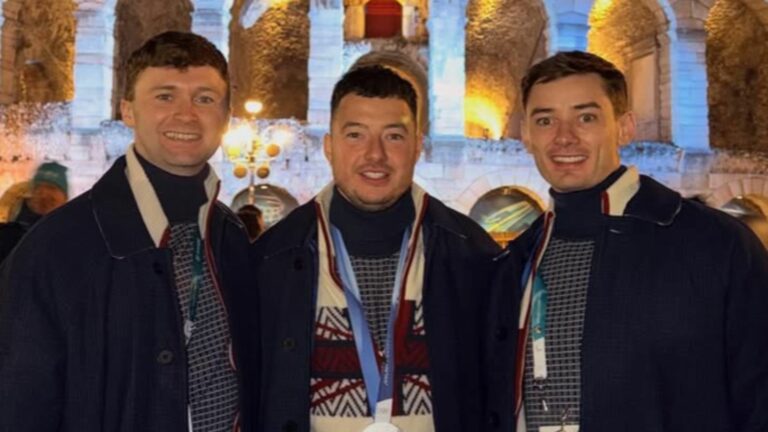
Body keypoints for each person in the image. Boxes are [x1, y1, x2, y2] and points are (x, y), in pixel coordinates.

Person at [487, 51, 768, 432]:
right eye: (545, 120)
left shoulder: (714, 244)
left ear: (624, 127)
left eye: (586, 117)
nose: (564, 137)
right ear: (526, 136)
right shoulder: (517, 260)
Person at [0, 31, 250, 431]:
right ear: (128, 111)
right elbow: (18, 403)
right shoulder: (56, 248)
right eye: (164, 96)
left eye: (204, 99)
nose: (186, 115)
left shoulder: (231, 237)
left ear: (225, 117)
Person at [231, 65, 500, 432]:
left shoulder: (474, 256)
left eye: (393, 136)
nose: (375, 154)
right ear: (329, 147)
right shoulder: (269, 260)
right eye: (355, 135)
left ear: (418, 147)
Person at [0, 161, 68, 263]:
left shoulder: (69, 237)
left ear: (64, 198)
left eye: (52, 188)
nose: (44, 194)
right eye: (39, 189)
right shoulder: (9, 234)